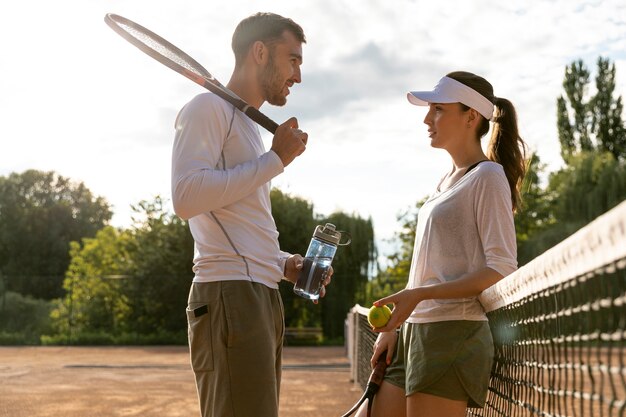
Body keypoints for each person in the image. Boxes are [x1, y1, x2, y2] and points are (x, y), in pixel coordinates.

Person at [171, 13, 331, 417]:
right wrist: (276, 159)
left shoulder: (246, 126)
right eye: (292, 59)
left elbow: (237, 227)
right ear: (260, 52)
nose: (297, 75)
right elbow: (185, 197)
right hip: (229, 294)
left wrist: (284, 264)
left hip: (257, 292)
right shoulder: (207, 107)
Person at [357, 71, 527, 417]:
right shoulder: (445, 182)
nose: (426, 119)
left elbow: (502, 267)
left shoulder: (489, 177)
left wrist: (418, 296)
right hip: (414, 335)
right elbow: (426, 267)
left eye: (437, 109)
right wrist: (396, 326)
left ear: (470, 116)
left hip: (453, 336)